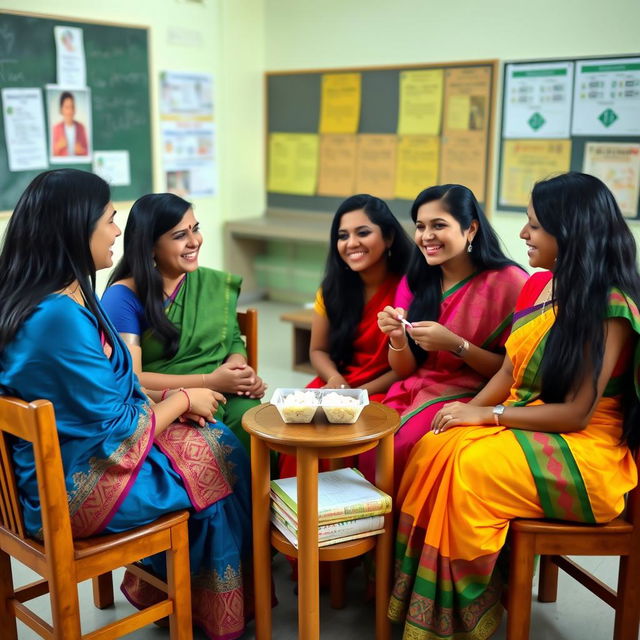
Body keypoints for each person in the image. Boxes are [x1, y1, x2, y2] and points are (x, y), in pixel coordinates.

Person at [0, 169, 252, 640]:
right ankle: (211, 613)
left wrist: (168, 399)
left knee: (209, 439)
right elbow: (117, 430)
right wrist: (181, 399)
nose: (118, 230)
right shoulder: (57, 317)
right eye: (110, 219)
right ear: (77, 227)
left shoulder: (56, 298)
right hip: (75, 487)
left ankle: (177, 596)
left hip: (63, 462)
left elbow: (105, 392)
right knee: (218, 453)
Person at [388, 172, 640, 640]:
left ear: (572, 230)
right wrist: (465, 415)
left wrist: (487, 415)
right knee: (434, 446)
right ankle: (426, 606)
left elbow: (576, 414)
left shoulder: (611, 306)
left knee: (467, 467)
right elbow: (509, 372)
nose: (523, 234)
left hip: (585, 451)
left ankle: (461, 618)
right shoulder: (540, 286)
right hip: (533, 420)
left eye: (535, 225)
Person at [361, 184, 527, 485]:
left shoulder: (510, 283)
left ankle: (395, 530)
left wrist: (456, 345)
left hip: (476, 392)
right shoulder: (417, 280)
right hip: (414, 387)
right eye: (420, 226)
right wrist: (397, 339)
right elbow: (405, 369)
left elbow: (512, 371)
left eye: (439, 225)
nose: (426, 236)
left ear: (471, 229)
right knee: (363, 436)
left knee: (400, 445)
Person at [102, 193, 265, 451]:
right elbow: (131, 379)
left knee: (259, 424)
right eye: (180, 236)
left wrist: (238, 371)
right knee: (214, 442)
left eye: (195, 229)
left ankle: (268, 493)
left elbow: (232, 339)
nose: (194, 241)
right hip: (165, 403)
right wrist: (210, 381)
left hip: (224, 394)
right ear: (150, 246)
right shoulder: (123, 298)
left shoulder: (210, 285)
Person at [279, 194, 413, 478]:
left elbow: (409, 367)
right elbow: (318, 351)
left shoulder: (409, 287)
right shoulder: (332, 289)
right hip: (340, 382)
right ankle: (297, 514)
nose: (351, 243)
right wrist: (335, 379)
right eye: (342, 235)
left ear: (388, 237)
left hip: (388, 387)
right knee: (299, 424)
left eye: (363, 233)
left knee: (353, 431)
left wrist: (359, 394)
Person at [51, 91, 89, 157]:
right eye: (67, 107)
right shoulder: (56, 129)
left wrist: (81, 151)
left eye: (72, 107)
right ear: (61, 109)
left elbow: (88, 152)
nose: (70, 111)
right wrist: (58, 146)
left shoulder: (81, 128)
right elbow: (51, 154)